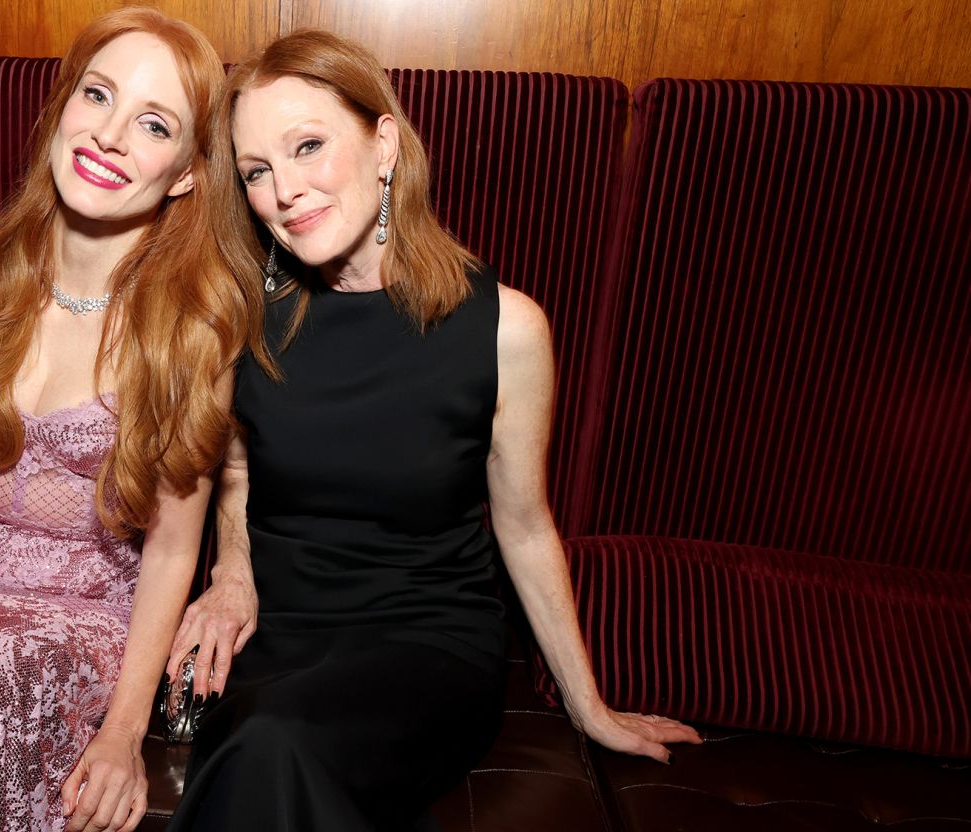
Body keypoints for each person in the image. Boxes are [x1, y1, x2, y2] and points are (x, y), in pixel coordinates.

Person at [165, 29, 702, 831]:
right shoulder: (238, 321)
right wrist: (232, 573)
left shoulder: (504, 330)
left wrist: (590, 707)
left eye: (308, 146)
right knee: (263, 746)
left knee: (273, 750)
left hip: (426, 643)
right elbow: (235, 475)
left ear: (383, 145)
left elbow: (523, 526)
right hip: (275, 638)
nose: (285, 190)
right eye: (256, 171)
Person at [0, 10, 256, 832]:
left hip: (81, 616)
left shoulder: (193, 328)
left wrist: (125, 734)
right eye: (97, 95)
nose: (108, 135)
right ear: (61, 107)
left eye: (154, 123)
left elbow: (173, 547)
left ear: (183, 175)